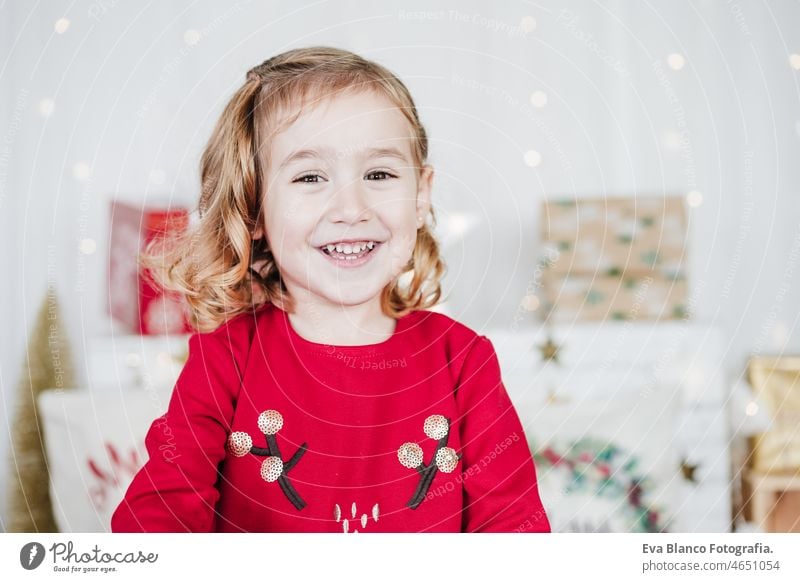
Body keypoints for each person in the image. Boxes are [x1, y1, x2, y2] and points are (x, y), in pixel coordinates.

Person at [111, 46, 550, 533]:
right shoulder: (225, 362)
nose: (350, 207)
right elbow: (156, 519)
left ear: (421, 195)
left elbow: (517, 532)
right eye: (310, 177)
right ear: (254, 208)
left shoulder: (463, 361)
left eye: (379, 174)